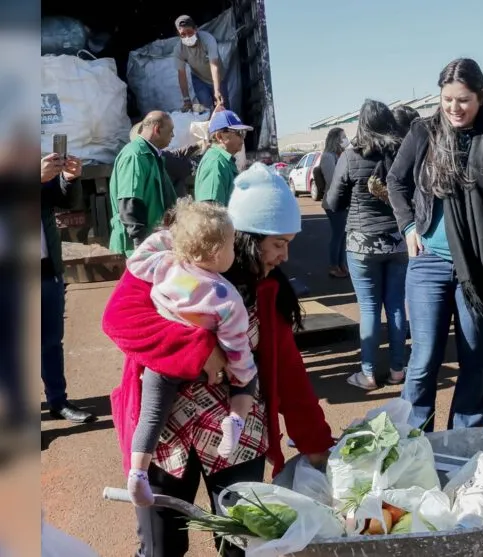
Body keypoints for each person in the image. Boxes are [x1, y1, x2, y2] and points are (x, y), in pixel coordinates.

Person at [102, 162, 333, 556]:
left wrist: (317, 444)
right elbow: (119, 320)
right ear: (246, 238)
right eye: (278, 243)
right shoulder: (171, 264)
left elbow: (290, 375)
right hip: (166, 435)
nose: (285, 255)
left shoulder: (267, 289)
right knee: (160, 546)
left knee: (241, 543)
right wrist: (202, 351)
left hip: (237, 436)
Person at [387, 58, 483, 431]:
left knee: (474, 357)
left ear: (481, 96)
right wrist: (408, 227)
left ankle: (464, 441)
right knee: (425, 357)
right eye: (447, 99)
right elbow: (396, 181)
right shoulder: (424, 132)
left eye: (463, 100)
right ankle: (413, 440)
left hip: (481, 266)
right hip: (429, 261)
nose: (454, 108)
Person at [124, 199, 257, 507]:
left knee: (152, 415)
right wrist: (241, 375)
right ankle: (235, 421)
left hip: (163, 362)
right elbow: (235, 345)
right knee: (247, 381)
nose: (233, 254)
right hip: (200, 370)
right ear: (215, 253)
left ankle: (138, 472)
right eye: (230, 248)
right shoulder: (224, 295)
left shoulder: (168, 266)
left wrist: (179, 238)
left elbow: (137, 259)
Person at [326, 100, 408, 390]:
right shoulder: (400, 153)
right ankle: (398, 369)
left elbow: (332, 202)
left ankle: (369, 374)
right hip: (398, 242)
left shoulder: (350, 156)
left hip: (362, 243)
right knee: (397, 307)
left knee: (370, 309)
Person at [41, 153, 96, 424]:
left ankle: (58, 401)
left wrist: (68, 179)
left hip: (46, 270)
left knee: (51, 342)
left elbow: (66, 202)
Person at [108, 111, 177, 257]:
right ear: (157, 129)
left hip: (151, 244)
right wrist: (140, 246)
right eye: (170, 131)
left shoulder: (151, 155)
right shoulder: (135, 155)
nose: (173, 136)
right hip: (135, 249)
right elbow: (130, 203)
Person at [129, 121, 205, 198]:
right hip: (170, 204)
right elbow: (185, 168)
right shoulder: (159, 158)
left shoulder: (142, 154)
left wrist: (196, 146)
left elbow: (173, 154)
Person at [194, 109, 253, 205]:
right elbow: (210, 212)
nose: (242, 138)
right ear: (220, 137)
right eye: (239, 133)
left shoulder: (224, 161)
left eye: (243, 133)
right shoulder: (215, 164)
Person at [174, 15, 229, 112]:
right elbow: (181, 74)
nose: (187, 37)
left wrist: (217, 90)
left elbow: (214, 66)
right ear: (178, 34)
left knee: (223, 107)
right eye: (183, 34)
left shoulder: (208, 39)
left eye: (190, 32)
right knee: (206, 109)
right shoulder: (179, 50)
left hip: (218, 78)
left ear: (195, 29)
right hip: (199, 80)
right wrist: (186, 99)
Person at [318, 127, 350, 278]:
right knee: (338, 234)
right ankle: (333, 265)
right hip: (333, 202)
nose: (345, 139)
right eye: (343, 137)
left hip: (342, 201)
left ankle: (341, 263)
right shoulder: (328, 157)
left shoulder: (339, 155)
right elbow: (333, 180)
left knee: (343, 234)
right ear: (335, 139)